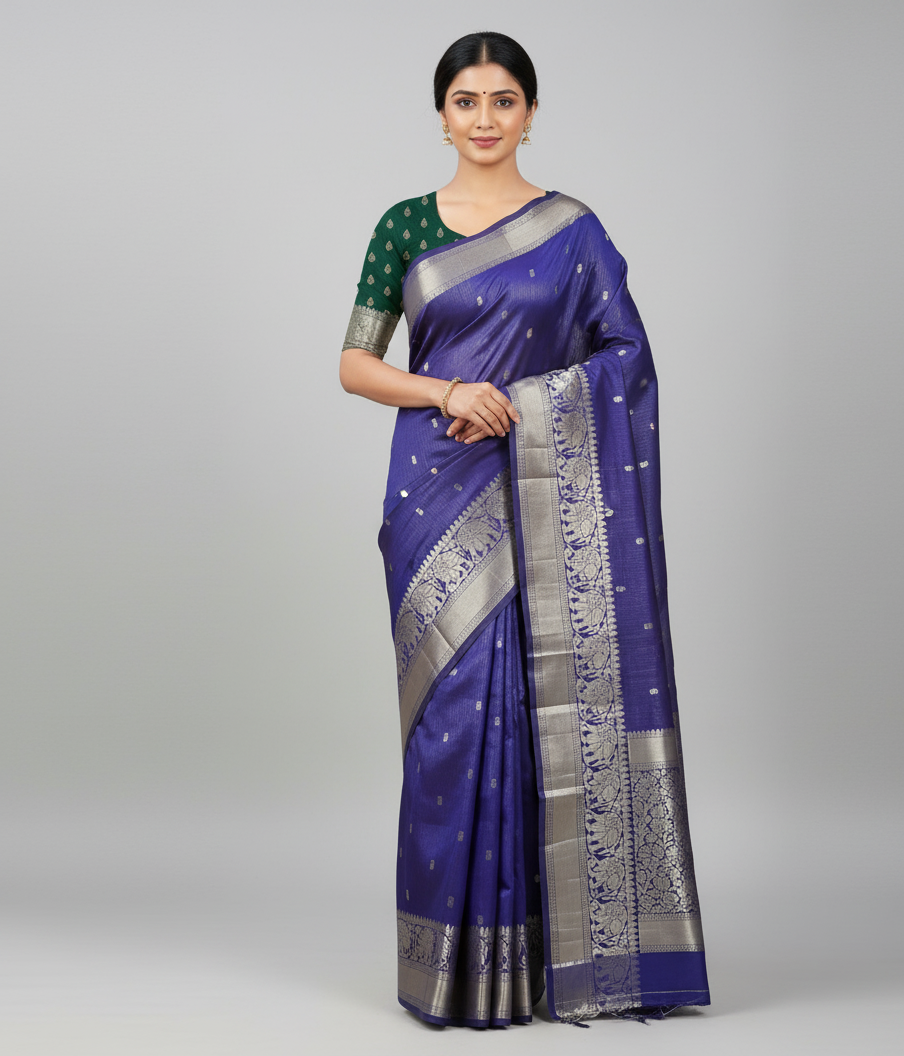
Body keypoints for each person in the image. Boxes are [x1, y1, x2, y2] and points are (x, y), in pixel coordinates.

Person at [339, 31, 710, 1028]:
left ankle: (555, 960)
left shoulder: (573, 230)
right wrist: (449, 390)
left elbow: (626, 360)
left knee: (541, 706)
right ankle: (455, 969)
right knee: (455, 722)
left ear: (530, 113)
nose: (485, 118)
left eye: (503, 100)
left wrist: (526, 404)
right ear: (442, 116)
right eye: (466, 101)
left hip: (543, 481)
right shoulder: (403, 226)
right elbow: (355, 363)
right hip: (434, 489)